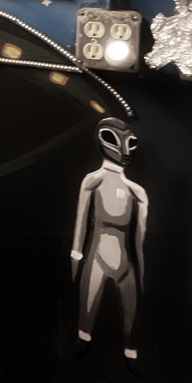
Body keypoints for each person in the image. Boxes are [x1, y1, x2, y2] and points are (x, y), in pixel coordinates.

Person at [70, 117, 148, 368]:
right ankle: (85, 338)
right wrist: (76, 254)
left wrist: (141, 272)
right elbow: (81, 224)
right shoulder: (93, 181)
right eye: (116, 140)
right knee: (86, 315)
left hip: (125, 261)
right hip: (97, 256)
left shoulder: (138, 192)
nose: (124, 150)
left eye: (130, 142)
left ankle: (130, 350)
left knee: (131, 312)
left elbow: (139, 241)